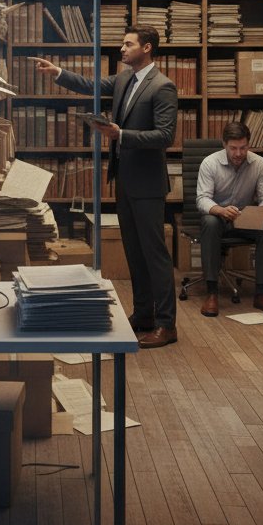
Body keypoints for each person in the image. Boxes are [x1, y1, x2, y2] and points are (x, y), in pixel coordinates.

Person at [33, 26, 179, 348]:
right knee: (134, 253)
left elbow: (165, 136)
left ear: (148, 48)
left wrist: (121, 135)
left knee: (155, 255)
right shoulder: (126, 78)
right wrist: (59, 72)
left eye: (128, 44)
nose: (122, 49)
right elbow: (93, 84)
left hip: (149, 184)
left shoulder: (163, 87)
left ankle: (167, 325)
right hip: (125, 180)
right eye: (122, 44)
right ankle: (143, 316)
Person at [195, 121, 263, 317]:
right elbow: (202, 199)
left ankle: (262, 293)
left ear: (249, 145)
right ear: (224, 145)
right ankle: (212, 292)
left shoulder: (259, 164)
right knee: (210, 222)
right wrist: (220, 210)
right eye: (233, 148)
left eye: (243, 148)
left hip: (244, 218)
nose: (239, 153)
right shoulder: (210, 163)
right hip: (218, 217)